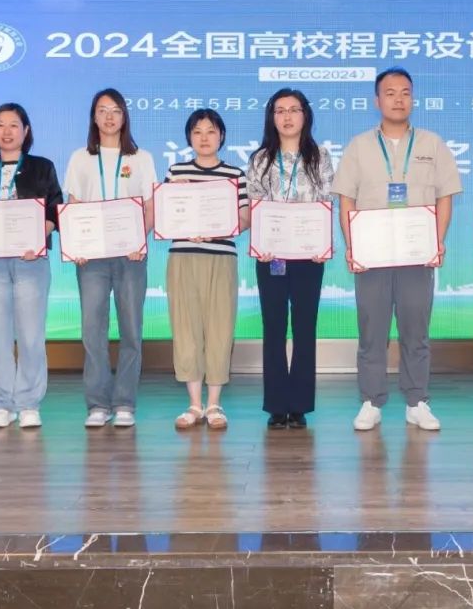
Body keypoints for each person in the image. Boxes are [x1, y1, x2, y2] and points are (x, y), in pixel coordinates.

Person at [331, 67, 462, 432]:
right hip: (372, 257)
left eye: (405, 92)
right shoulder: (359, 146)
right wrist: (353, 246)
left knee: (416, 331)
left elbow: (445, 197)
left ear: (413, 99)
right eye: (390, 93)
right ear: (377, 101)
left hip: (416, 256)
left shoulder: (432, 144)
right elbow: (346, 200)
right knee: (371, 331)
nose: (398, 99)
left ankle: (417, 400)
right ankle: (371, 401)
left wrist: (437, 241)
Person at [0, 103, 64, 430]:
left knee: (31, 334)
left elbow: (55, 208)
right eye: (0, 125)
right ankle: (3, 402)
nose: (6, 131)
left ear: (26, 130)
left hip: (30, 260)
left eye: (13, 125)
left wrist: (40, 234)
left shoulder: (42, 167)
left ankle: (29, 402)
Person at [63, 88, 156, 429]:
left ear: (124, 116)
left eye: (115, 110)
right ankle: (98, 404)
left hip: (131, 256)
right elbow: (73, 205)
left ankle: (125, 402)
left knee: (131, 330)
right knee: (93, 331)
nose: (109, 117)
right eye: (102, 110)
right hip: (92, 259)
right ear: (94, 117)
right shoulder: (80, 158)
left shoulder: (141, 158)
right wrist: (76, 245)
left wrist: (139, 239)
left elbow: (150, 206)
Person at [247, 89, 335, 430]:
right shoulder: (260, 159)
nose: (287, 117)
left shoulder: (320, 156)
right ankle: (275, 405)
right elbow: (255, 205)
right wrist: (261, 242)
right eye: (280, 110)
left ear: (305, 115)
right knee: (273, 328)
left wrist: (322, 244)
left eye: (294, 110)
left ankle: (299, 405)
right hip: (271, 256)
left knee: (304, 327)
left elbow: (326, 202)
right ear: (271, 117)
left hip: (308, 256)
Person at [165, 109, 250, 431]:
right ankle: (194, 404)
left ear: (222, 136)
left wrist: (218, 229)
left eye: (211, 131)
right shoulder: (176, 171)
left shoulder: (234, 174)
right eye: (197, 131)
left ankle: (214, 403)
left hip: (220, 257)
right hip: (183, 256)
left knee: (219, 328)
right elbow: (166, 215)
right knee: (185, 328)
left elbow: (245, 218)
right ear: (189, 137)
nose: (204, 137)